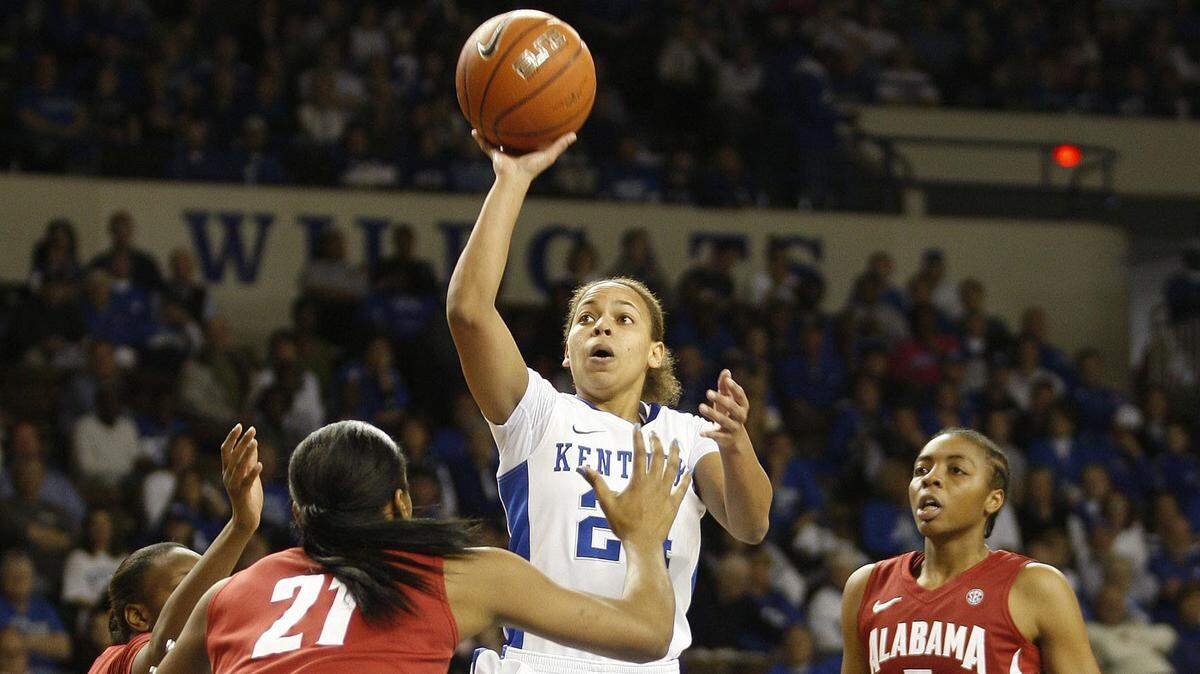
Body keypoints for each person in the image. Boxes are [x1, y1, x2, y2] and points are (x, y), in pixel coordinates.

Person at [445, 130, 771, 670]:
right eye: (586, 318)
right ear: (569, 353)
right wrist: (512, 179)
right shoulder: (539, 415)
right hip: (544, 663)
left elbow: (751, 525)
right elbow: (469, 311)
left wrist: (737, 446)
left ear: (654, 353)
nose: (603, 326)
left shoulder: (688, 434)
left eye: (624, 319)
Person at [155, 419, 691, 672]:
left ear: (297, 514)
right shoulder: (457, 572)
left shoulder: (231, 594)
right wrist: (643, 542)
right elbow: (646, 636)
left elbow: (154, 658)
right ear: (402, 503)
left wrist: (239, 527)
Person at [839, 428, 1100, 673]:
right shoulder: (866, 586)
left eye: (956, 470)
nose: (930, 478)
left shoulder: (1036, 586)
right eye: (921, 470)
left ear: (993, 499)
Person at [87, 424, 262, 674]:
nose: (208, 593)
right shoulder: (117, 659)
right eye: (186, 584)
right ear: (138, 616)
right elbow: (162, 648)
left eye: (210, 582)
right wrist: (240, 527)